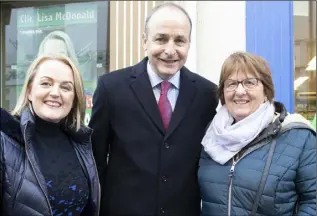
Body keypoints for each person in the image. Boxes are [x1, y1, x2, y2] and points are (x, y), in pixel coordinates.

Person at [89, 3, 218, 216]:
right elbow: (95, 162)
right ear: (144, 41)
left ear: (189, 44)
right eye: (161, 39)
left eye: (179, 40)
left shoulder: (207, 94)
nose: (170, 50)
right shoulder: (111, 88)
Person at [198, 51, 316, 216]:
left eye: (249, 82)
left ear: (266, 90)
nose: (239, 91)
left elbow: (313, 202)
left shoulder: (298, 136)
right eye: (231, 84)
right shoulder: (211, 136)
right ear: (223, 93)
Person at [0, 55, 100, 216]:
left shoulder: (81, 143)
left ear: (74, 98)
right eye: (46, 83)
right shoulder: (5, 140)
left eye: (66, 87)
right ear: (30, 92)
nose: (55, 93)